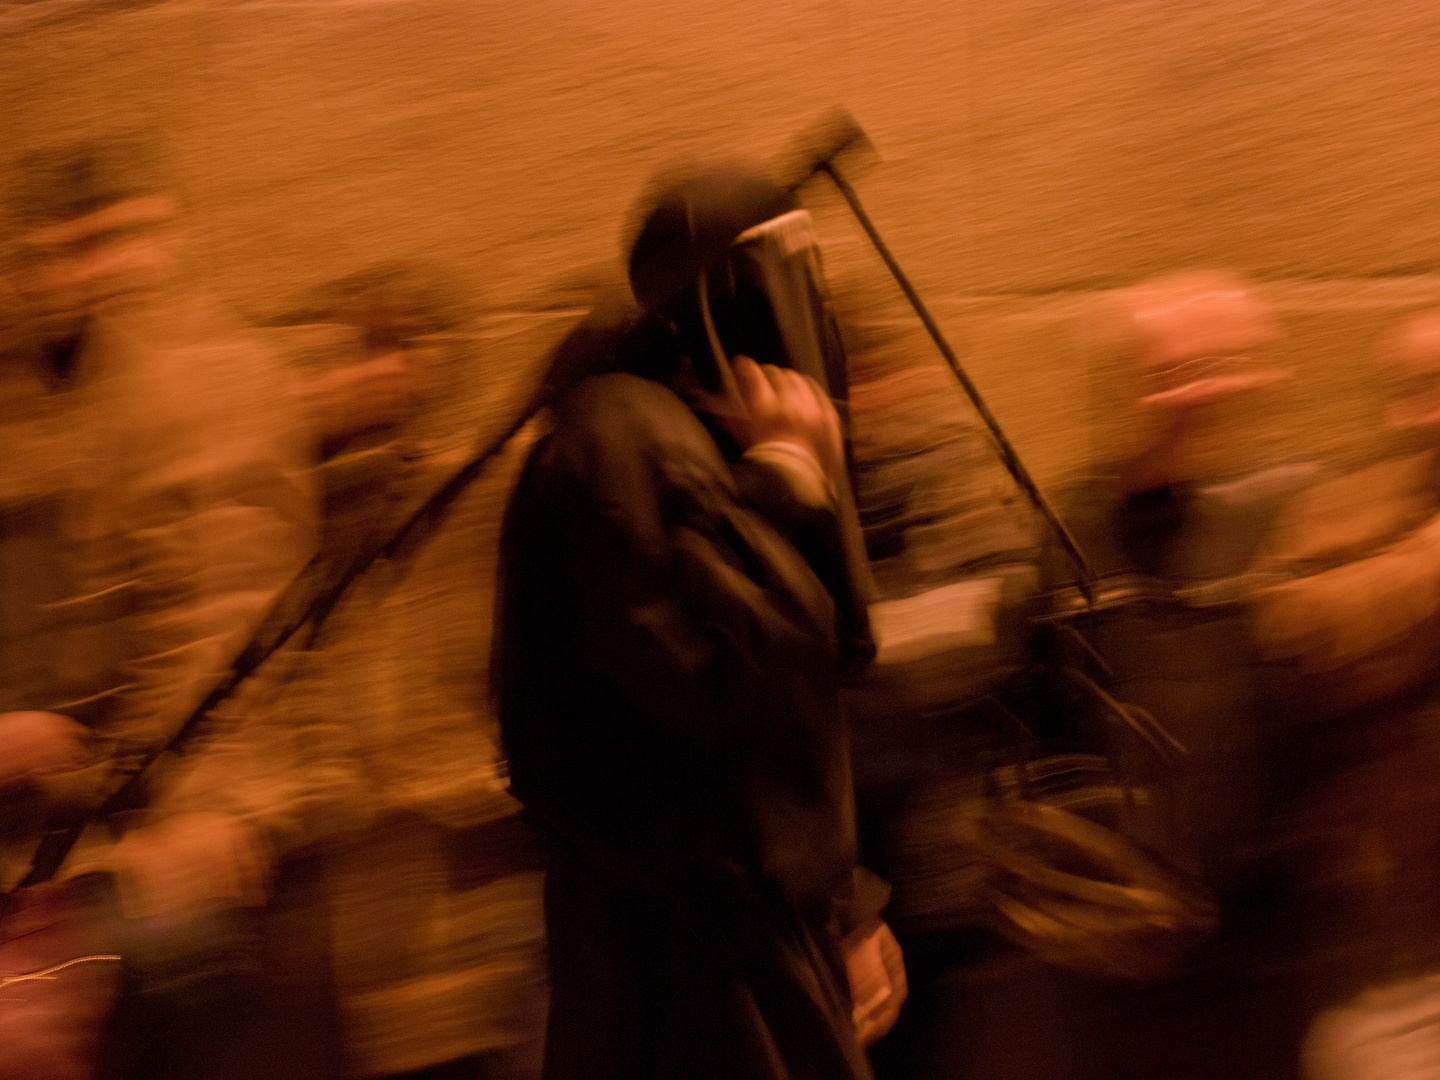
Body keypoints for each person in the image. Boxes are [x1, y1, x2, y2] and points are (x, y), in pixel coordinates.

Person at [494, 164, 902, 1080]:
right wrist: (789, 481)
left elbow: (815, 673)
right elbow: (713, 676)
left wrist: (845, 906)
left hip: (739, 938)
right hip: (682, 959)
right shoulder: (624, 435)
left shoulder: (695, 432)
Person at [0, 138, 318, 1079]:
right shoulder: (67, 386)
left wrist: (191, 817)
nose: (101, 271)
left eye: (122, 239)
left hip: (162, 848)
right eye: (67, 248)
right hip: (87, 840)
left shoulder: (196, 377)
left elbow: (218, 613)